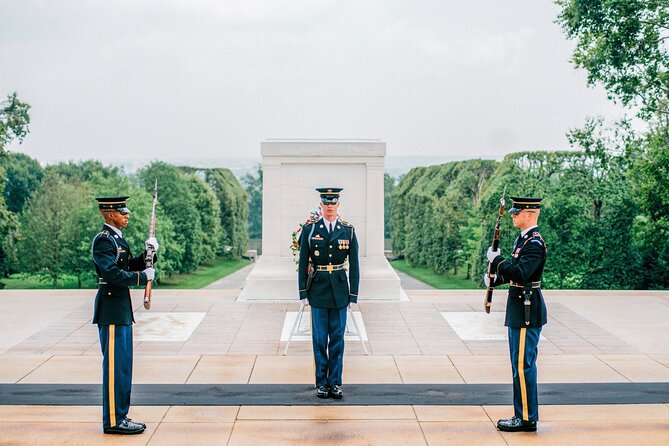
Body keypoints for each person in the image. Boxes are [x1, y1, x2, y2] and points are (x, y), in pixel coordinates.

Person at [92, 196, 158, 435]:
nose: (127, 216)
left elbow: (129, 266)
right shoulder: (103, 241)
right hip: (110, 310)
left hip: (121, 310)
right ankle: (112, 420)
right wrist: (143, 277)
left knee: (123, 368)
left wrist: (148, 255)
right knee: (114, 368)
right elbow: (111, 273)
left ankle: (121, 415)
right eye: (123, 213)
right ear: (110, 215)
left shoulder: (119, 241)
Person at [485, 196, 547, 432]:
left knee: (522, 365)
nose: (512, 215)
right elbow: (515, 274)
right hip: (520, 309)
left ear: (529, 214)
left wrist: (498, 261)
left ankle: (526, 418)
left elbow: (521, 273)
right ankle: (523, 415)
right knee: (518, 364)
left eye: (516, 212)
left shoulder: (534, 243)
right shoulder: (523, 240)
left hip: (526, 310)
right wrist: (496, 278)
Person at [297, 187, 360, 399]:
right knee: (319, 339)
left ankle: (335, 383)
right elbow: (303, 262)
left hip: (340, 292)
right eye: (326, 202)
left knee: (337, 340)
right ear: (321, 204)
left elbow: (355, 265)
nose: (330, 206)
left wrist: (353, 295)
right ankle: (321, 383)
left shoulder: (348, 230)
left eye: (333, 202)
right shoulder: (310, 230)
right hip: (318, 290)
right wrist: (303, 291)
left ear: (338, 204)